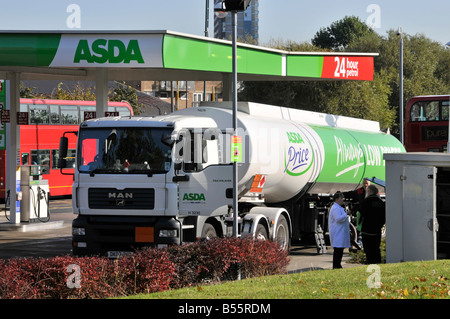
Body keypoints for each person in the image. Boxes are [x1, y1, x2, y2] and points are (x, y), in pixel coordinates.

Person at [360, 184, 386, 264]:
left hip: (366, 231)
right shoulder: (381, 203)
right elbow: (384, 217)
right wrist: (380, 225)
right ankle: (377, 265)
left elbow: (360, 215)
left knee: (368, 251)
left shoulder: (365, 202)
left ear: (368, 191)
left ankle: (370, 266)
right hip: (376, 231)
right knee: (376, 250)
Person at [328, 191, 351, 269]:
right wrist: (346, 214)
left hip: (339, 232)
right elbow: (338, 219)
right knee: (338, 250)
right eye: (341, 198)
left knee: (340, 250)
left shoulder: (338, 207)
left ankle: (338, 265)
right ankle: (336, 265)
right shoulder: (335, 208)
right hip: (338, 233)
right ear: (336, 199)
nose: (343, 199)